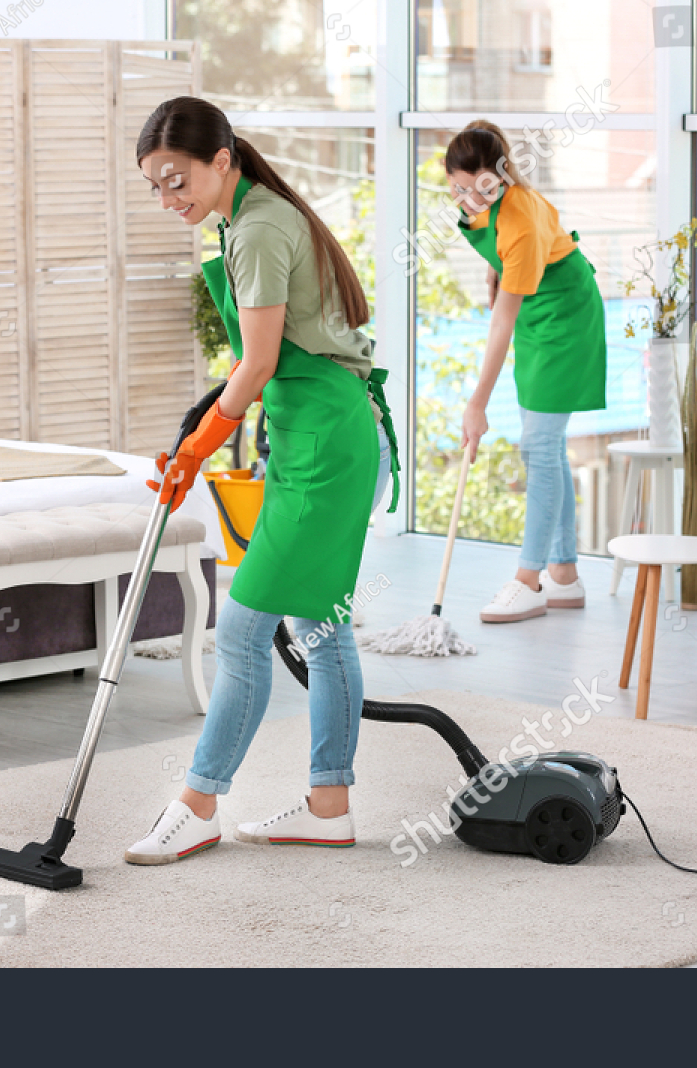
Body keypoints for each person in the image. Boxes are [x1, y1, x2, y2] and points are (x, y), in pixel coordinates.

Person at [125, 96, 397, 865]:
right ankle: (328, 807)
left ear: (222, 159)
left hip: (329, 449)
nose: (167, 199)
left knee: (242, 629)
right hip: (318, 435)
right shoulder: (245, 220)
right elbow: (259, 364)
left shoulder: (259, 227)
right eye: (155, 187)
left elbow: (259, 362)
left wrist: (199, 447)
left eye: (177, 181)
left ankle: (198, 804)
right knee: (321, 625)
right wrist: (200, 437)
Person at [446, 120, 607, 623]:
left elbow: (502, 321)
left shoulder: (520, 218)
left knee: (538, 446)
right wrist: (496, 269)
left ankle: (528, 578)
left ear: (500, 177)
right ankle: (564, 574)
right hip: (538, 313)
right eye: (458, 188)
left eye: (482, 188)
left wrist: (477, 404)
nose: (470, 198)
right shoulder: (484, 204)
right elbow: (498, 259)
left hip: (565, 317)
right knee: (544, 444)